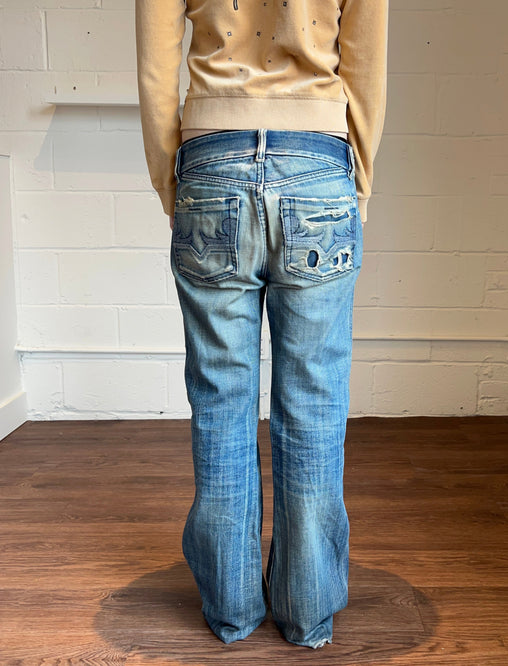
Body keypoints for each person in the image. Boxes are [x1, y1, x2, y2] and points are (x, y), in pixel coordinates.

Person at [135, 0, 388, 649]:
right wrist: (356, 186)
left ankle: (231, 607)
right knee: (314, 398)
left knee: (221, 397)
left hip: (209, 158)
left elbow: (157, 68)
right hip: (319, 164)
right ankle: (306, 612)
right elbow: (364, 64)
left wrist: (172, 183)